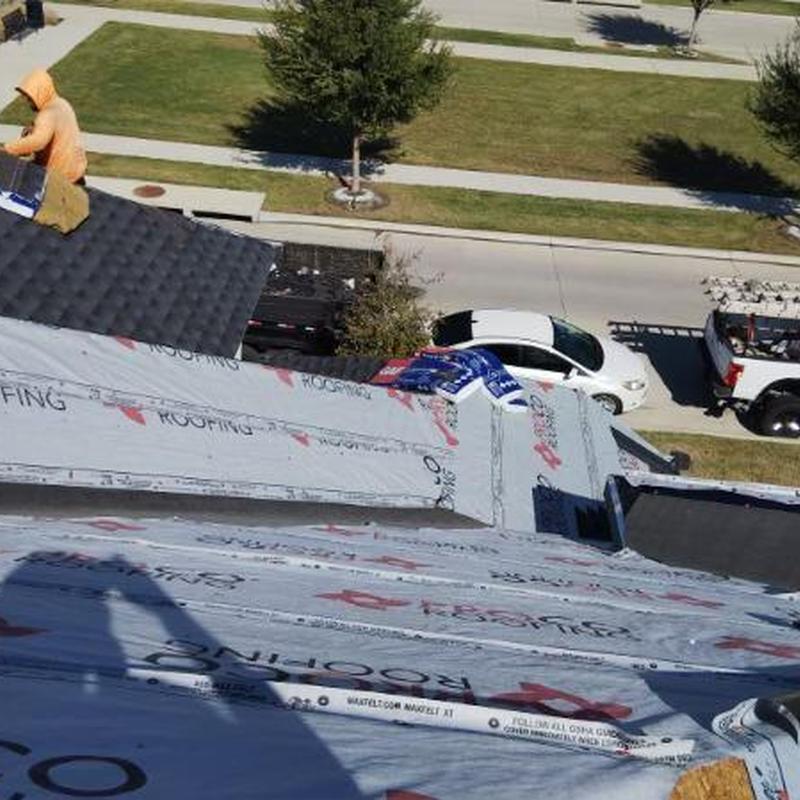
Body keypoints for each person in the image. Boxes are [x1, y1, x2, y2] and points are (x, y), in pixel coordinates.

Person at [3, 67, 87, 184]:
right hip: (76, 177)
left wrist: (7, 149)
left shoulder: (48, 114)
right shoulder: (62, 104)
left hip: (60, 183)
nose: (27, 101)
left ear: (40, 91)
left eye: (29, 96)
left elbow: (38, 141)